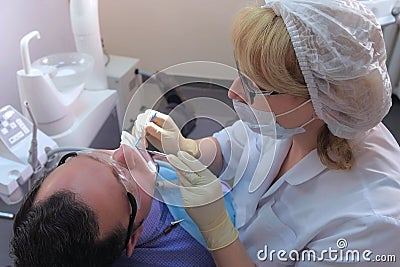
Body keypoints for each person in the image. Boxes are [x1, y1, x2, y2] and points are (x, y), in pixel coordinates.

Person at [132, 0, 400, 266]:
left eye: (255, 86)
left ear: (320, 96)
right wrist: (187, 148)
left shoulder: (371, 221)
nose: (233, 91)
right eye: (241, 73)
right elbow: (229, 148)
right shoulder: (288, 123)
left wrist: (219, 232)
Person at [10, 144, 219, 267]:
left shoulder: (123, 206)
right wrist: (221, 233)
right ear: (132, 238)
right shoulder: (191, 255)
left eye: (94, 156)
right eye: (124, 179)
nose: (122, 151)